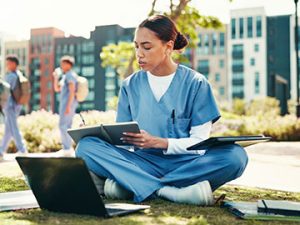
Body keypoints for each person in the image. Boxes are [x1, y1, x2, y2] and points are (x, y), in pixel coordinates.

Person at [76, 15, 248, 205]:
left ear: (168, 47)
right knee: (86, 147)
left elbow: (200, 143)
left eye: (146, 47)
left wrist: (160, 143)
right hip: (141, 163)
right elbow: (124, 142)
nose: (139, 54)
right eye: (136, 46)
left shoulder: (196, 84)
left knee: (235, 156)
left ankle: (131, 185)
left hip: (186, 164)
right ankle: (171, 191)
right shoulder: (130, 85)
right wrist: (103, 137)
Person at [0, 55, 27, 161]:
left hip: (10, 105)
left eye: (8, 63)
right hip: (16, 105)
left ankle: (22, 149)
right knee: (8, 130)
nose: (7, 65)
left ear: (14, 63)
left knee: (13, 128)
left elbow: (4, 89)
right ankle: (1, 150)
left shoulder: (11, 76)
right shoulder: (19, 74)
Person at [53, 56, 78, 157]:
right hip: (65, 104)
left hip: (68, 104)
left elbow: (72, 92)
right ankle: (67, 148)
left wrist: (68, 106)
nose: (61, 66)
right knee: (66, 126)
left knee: (63, 126)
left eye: (63, 64)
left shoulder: (70, 75)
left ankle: (67, 148)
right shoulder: (65, 76)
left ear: (69, 65)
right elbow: (57, 89)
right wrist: (55, 78)